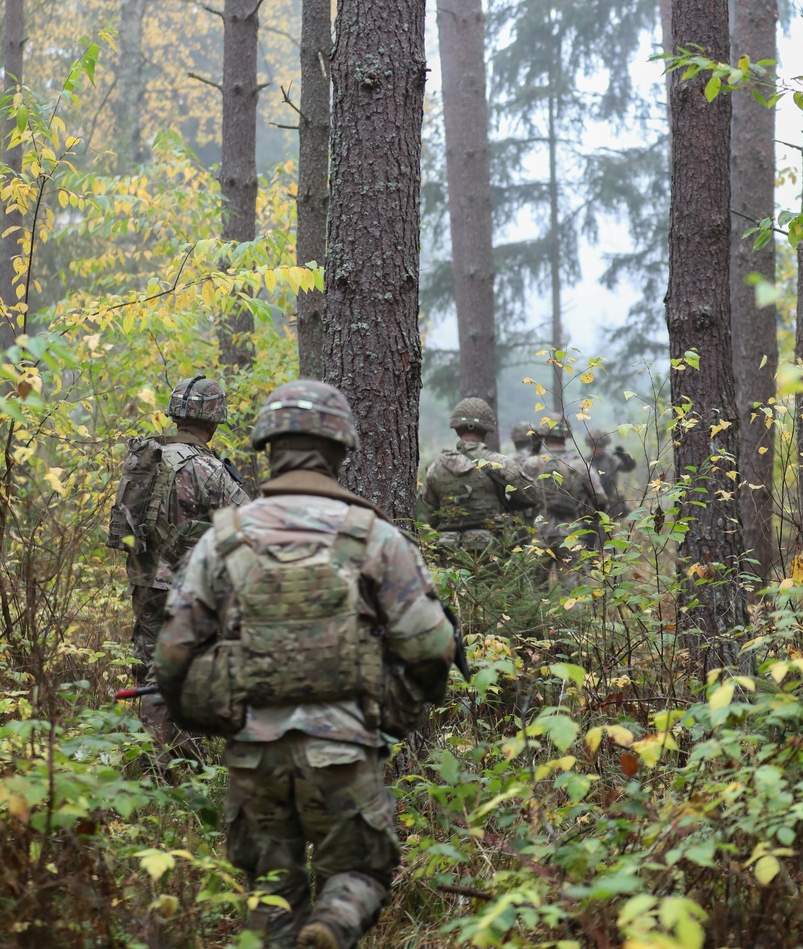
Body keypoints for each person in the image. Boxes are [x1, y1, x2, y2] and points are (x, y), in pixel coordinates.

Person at [154, 380, 455, 949]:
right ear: (341, 448)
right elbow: (431, 647)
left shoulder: (224, 539)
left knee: (271, 892)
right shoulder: (375, 537)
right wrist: (399, 709)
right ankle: (332, 928)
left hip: (253, 753)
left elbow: (171, 657)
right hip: (344, 746)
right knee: (360, 873)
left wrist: (215, 714)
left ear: (268, 445)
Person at [107, 372, 248, 756]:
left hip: (144, 580)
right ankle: (166, 766)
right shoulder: (208, 469)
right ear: (214, 419)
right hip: (186, 589)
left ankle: (158, 759)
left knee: (150, 666)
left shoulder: (147, 456)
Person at [423, 397, 538, 552]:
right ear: (486, 431)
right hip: (491, 553)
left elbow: (432, 517)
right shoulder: (501, 464)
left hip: (450, 551)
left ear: (456, 429)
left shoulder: (435, 468)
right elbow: (531, 497)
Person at [519, 416, 607, 579]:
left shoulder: (530, 464)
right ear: (567, 435)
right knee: (574, 596)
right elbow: (600, 499)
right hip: (571, 536)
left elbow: (518, 499)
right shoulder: (581, 465)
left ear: (544, 434)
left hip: (538, 536)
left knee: (534, 595)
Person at [587, 429, 635, 519]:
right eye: (594, 446)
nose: (596, 449)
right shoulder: (586, 461)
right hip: (591, 505)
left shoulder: (611, 460)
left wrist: (625, 458)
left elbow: (627, 467)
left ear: (604, 446)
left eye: (599, 446)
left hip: (611, 503)